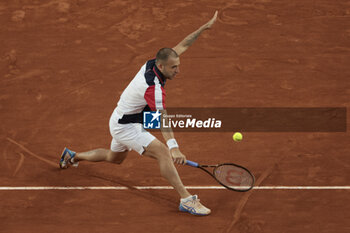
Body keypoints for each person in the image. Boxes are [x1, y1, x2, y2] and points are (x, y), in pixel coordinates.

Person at [60, 11, 218, 216]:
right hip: (126, 125)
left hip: (123, 118)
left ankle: (73, 156)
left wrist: (202, 28)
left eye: (178, 66)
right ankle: (186, 199)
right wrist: (174, 147)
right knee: (163, 152)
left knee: (114, 158)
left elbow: (183, 46)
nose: (178, 71)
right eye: (174, 67)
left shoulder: (154, 63)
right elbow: (162, 117)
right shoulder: (153, 88)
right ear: (162, 66)